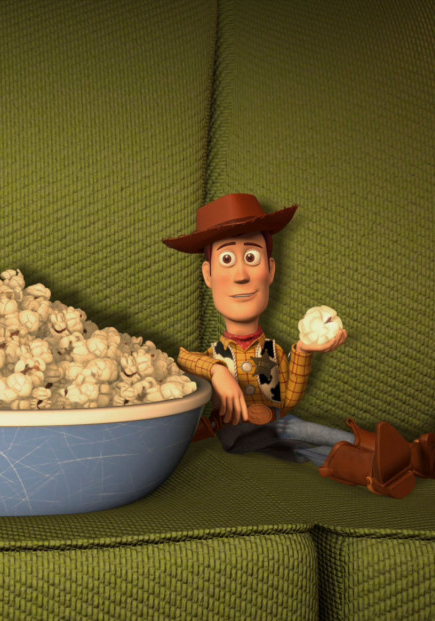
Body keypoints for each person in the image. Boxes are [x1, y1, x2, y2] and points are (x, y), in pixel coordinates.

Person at [163, 194, 434, 498]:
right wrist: (217, 371)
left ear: (270, 271)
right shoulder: (215, 355)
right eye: (227, 260)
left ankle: (380, 470)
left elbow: (288, 400)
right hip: (236, 434)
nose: (241, 275)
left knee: (302, 449)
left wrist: (303, 352)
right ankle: (401, 454)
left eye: (251, 258)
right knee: (297, 430)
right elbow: (183, 359)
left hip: (272, 428)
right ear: (208, 275)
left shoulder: (273, 352)